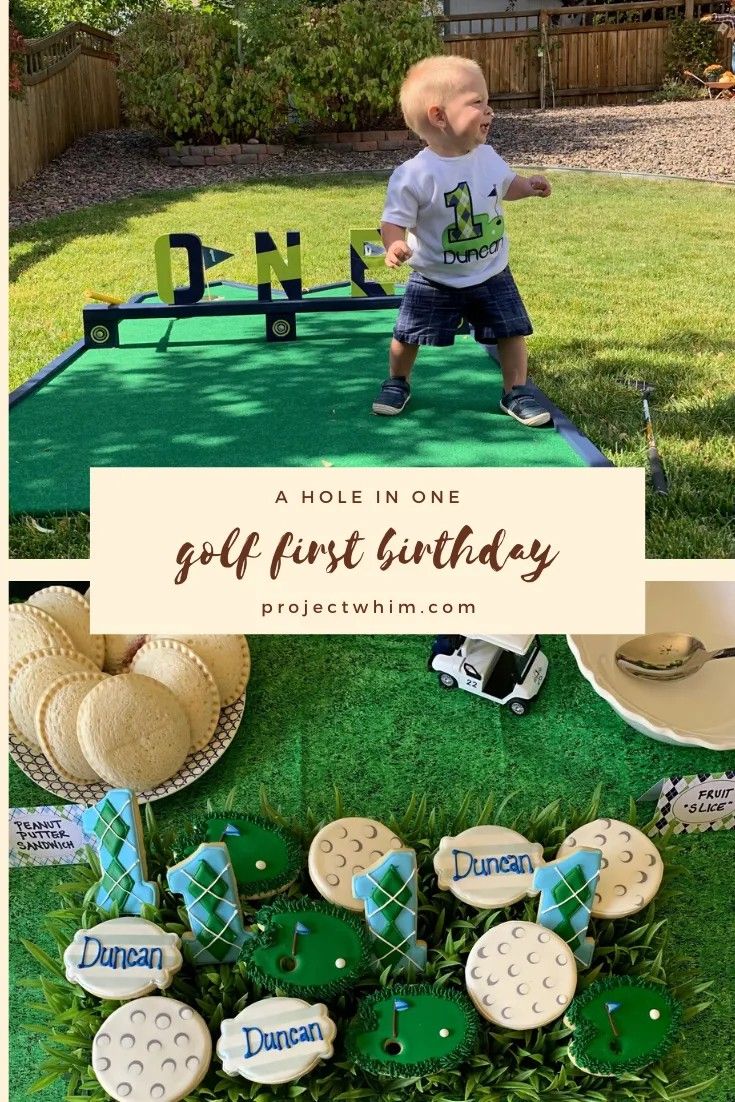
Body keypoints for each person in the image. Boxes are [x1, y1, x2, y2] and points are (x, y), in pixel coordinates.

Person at [373, 55, 552, 427]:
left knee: (512, 330)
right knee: (407, 334)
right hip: (434, 277)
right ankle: (397, 381)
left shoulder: (486, 156)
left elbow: (506, 186)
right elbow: (393, 221)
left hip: (491, 271)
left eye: (487, 102)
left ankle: (515, 391)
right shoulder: (414, 174)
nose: (490, 111)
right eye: (477, 103)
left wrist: (528, 188)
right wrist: (394, 244)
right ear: (439, 116)